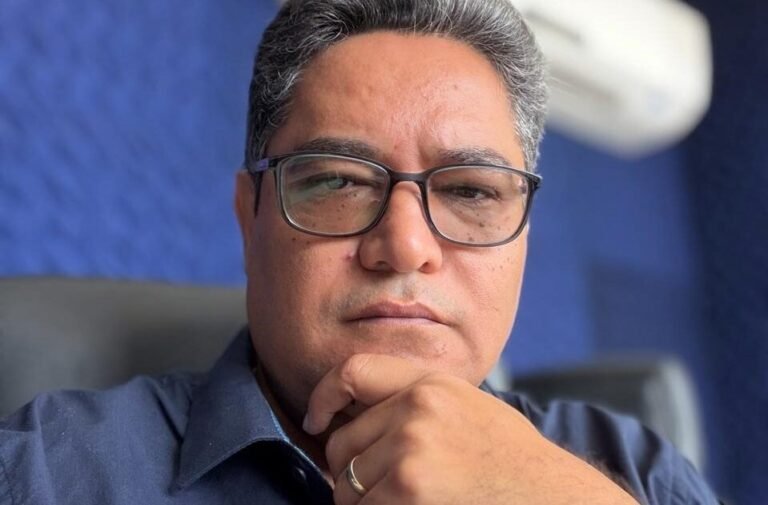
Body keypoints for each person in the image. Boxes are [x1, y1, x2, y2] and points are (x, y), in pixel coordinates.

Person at [0, 0, 720, 504]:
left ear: (524, 236)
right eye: (339, 182)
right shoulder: (43, 473)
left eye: (471, 191)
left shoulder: (639, 475)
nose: (405, 245)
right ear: (250, 219)